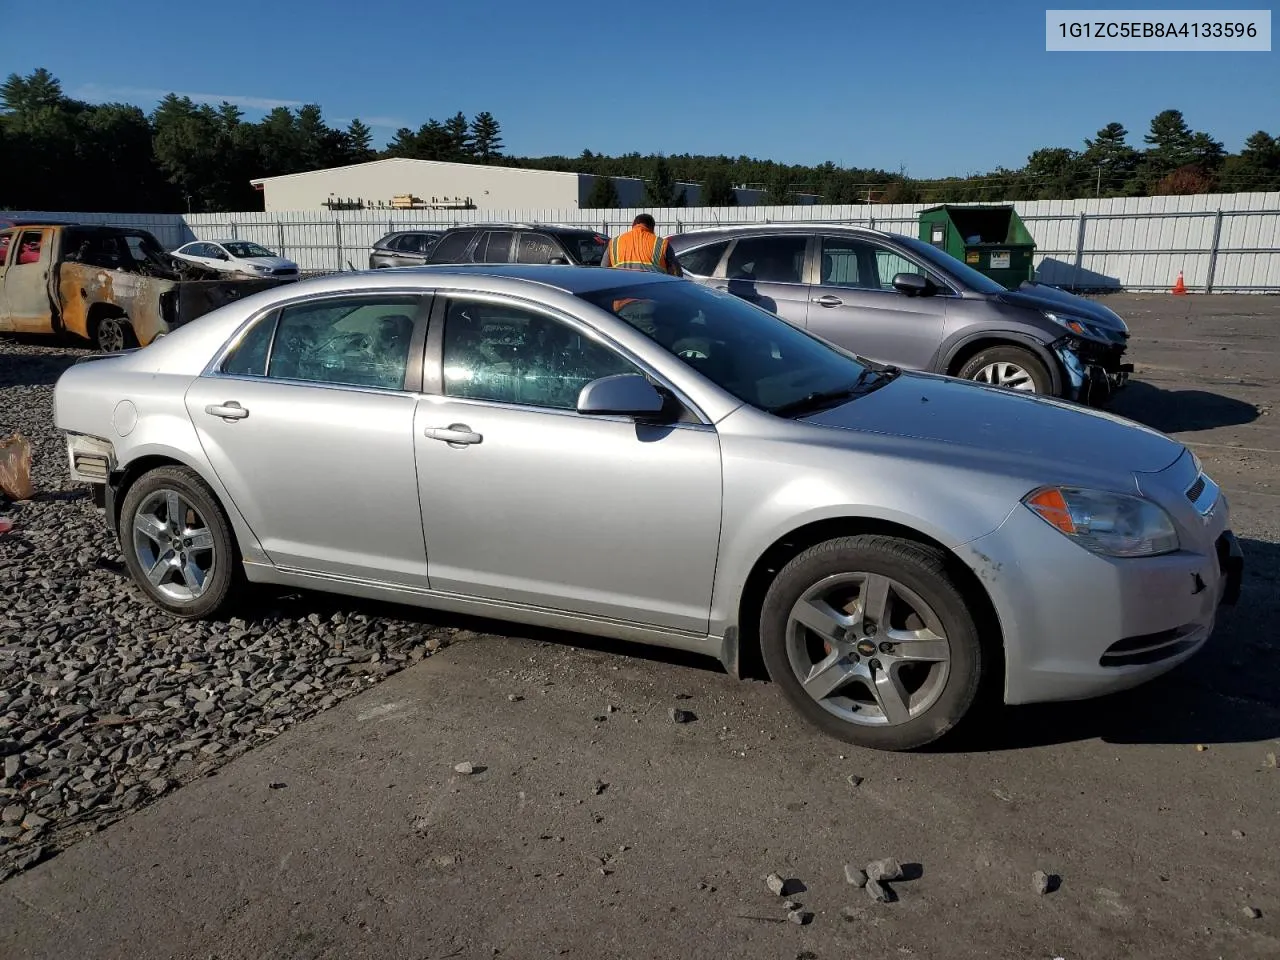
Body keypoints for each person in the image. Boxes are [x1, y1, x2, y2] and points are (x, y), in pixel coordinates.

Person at [600, 214, 682, 276]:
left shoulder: (614, 243)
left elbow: (603, 272)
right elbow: (677, 273)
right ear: (652, 228)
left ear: (633, 226)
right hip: (653, 295)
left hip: (622, 295)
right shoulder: (662, 244)